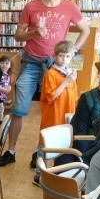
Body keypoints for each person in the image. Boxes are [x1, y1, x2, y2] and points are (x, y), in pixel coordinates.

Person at [0, 0, 90, 167]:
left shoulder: (69, 6)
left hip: (56, 65)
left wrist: (73, 50)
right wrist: (33, 33)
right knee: (18, 109)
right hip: (31, 61)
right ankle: (11, 151)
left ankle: (40, 152)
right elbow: (18, 34)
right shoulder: (31, 6)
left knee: (51, 111)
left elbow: (85, 30)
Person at [32, 40, 79, 184]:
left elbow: (74, 96)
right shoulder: (51, 74)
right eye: (61, 56)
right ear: (55, 55)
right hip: (53, 116)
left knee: (64, 146)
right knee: (45, 146)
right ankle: (39, 175)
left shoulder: (71, 73)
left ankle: (57, 173)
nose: (64, 59)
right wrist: (66, 82)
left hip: (66, 117)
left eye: (67, 56)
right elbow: (51, 96)